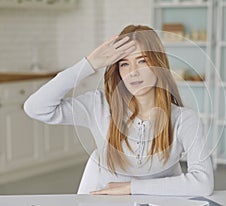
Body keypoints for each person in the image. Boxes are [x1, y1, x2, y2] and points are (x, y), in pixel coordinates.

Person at [24, 25, 214, 196]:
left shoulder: (184, 119)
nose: (133, 71)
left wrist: (130, 188)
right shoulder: (99, 106)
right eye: (124, 63)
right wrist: (89, 64)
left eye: (142, 61)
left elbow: (203, 182)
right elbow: (36, 108)